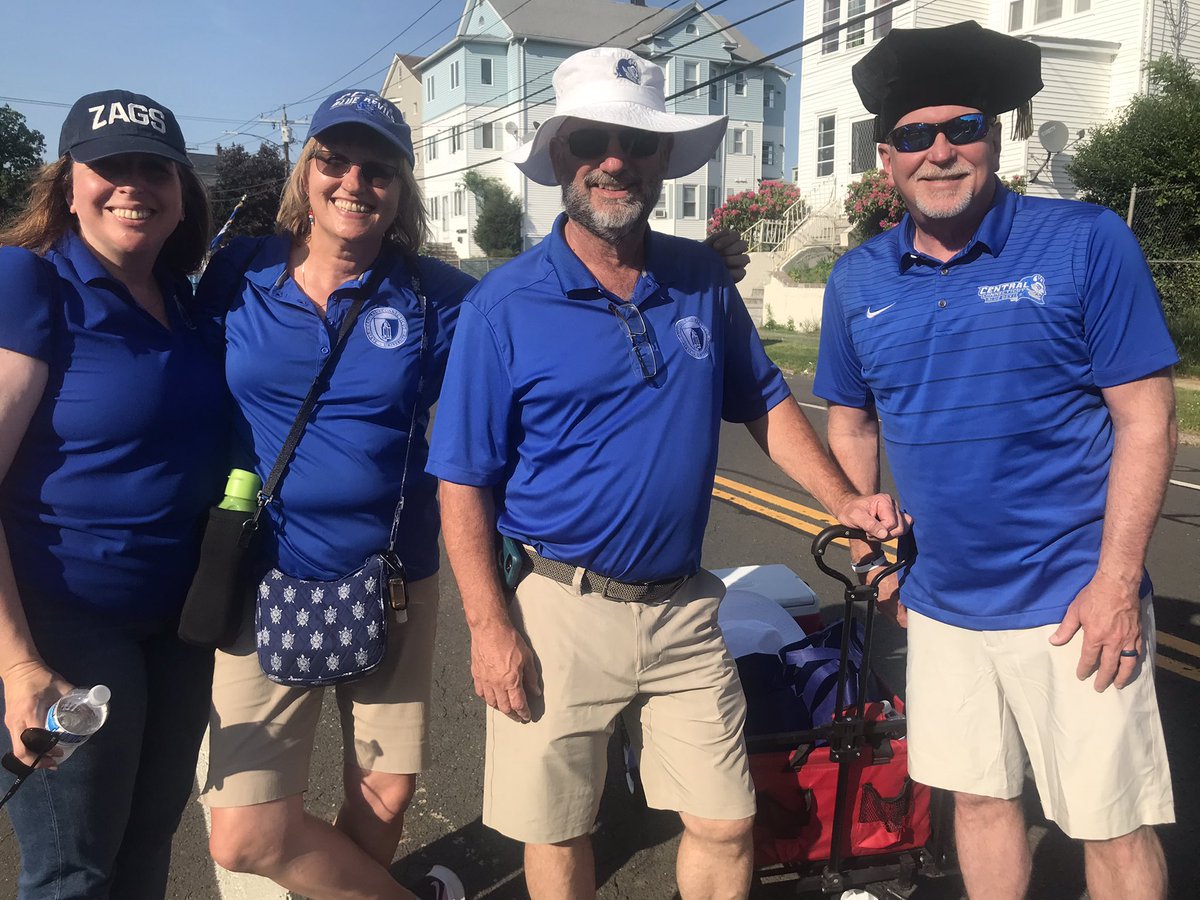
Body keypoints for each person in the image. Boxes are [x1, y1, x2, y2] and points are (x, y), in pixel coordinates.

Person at [426, 47, 908, 900]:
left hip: (685, 607)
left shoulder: (698, 281)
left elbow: (764, 404)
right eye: (592, 141)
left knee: (726, 821)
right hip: (559, 609)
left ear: (661, 160)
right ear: (563, 156)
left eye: (637, 143)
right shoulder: (503, 305)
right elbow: (462, 481)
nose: (615, 160)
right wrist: (488, 627)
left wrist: (845, 500)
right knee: (562, 832)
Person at [813, 21, 1177, 900]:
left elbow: (1148, 421)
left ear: (997, 136)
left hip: (1073, 601)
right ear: (885, 159)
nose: (939, 152)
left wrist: (1117, 582)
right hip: (941, 610)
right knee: (979, 802)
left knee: (1110, 820)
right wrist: (875, 543)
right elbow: (851, 422)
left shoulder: (1085, 242)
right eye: (913, 136)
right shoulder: (857, 281)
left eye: (961, 128)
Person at [195, 89, 473, 900]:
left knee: (384, 792)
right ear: (304, 172)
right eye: (333, 160)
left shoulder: (437, 294)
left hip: (392, 578)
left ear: (402, 188)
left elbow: (528, 356)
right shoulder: (238, 272)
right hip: (261, 570)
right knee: (245, 832)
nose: (354, 181)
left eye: (378, 168)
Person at [0, 90, 223, 898]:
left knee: (147, 847)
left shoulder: (184, 298)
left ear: (180, 190)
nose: (133, 185)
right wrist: (18, 663)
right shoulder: (30, 284)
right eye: (110, 167)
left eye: (153, 167)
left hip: (177, 630)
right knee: (73, 871)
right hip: (67, 627)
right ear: (68, 185)